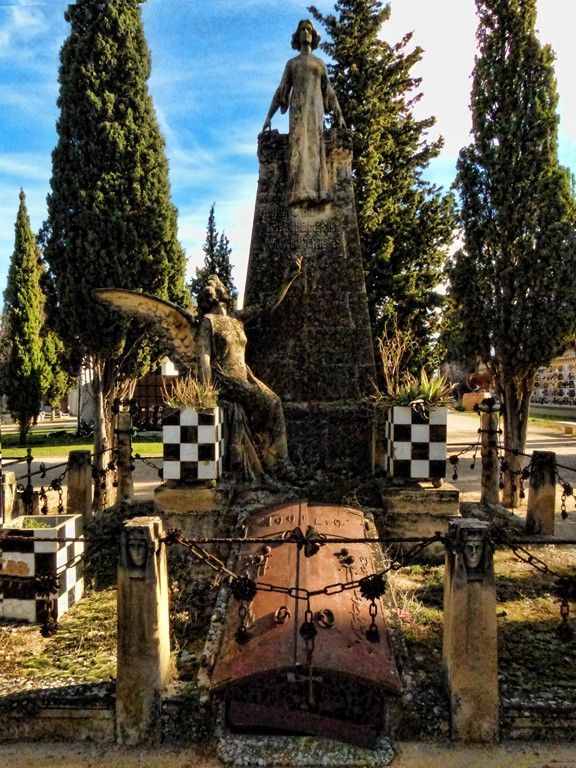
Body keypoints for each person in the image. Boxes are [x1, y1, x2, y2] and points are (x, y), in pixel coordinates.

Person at [196, 257, 302, 481]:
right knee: (271, 403)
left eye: (217, 283)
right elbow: (204, 357)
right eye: (215, 285)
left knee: (274, 401)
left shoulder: (235, 319)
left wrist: (287, 282)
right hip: (225, 379)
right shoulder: (209, 321)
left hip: (244, 376)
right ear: (213, 295)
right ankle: (279, 466)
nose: (218, 287)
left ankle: (275, 459)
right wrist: (206, 392)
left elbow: (267, 307)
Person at [262, 19, 345, 207]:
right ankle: (299, 192)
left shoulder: (319, 64)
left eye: (309, 29)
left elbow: (328, 91)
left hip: (316, 110)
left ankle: (319, 191)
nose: (306, 32)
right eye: (302, 29)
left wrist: (339, 114)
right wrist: (269, 116)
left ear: (313, 35)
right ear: (298, 35)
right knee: (298, 147)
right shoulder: (292, 64)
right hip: (299, 109)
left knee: (315, 146)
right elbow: (282, 89)